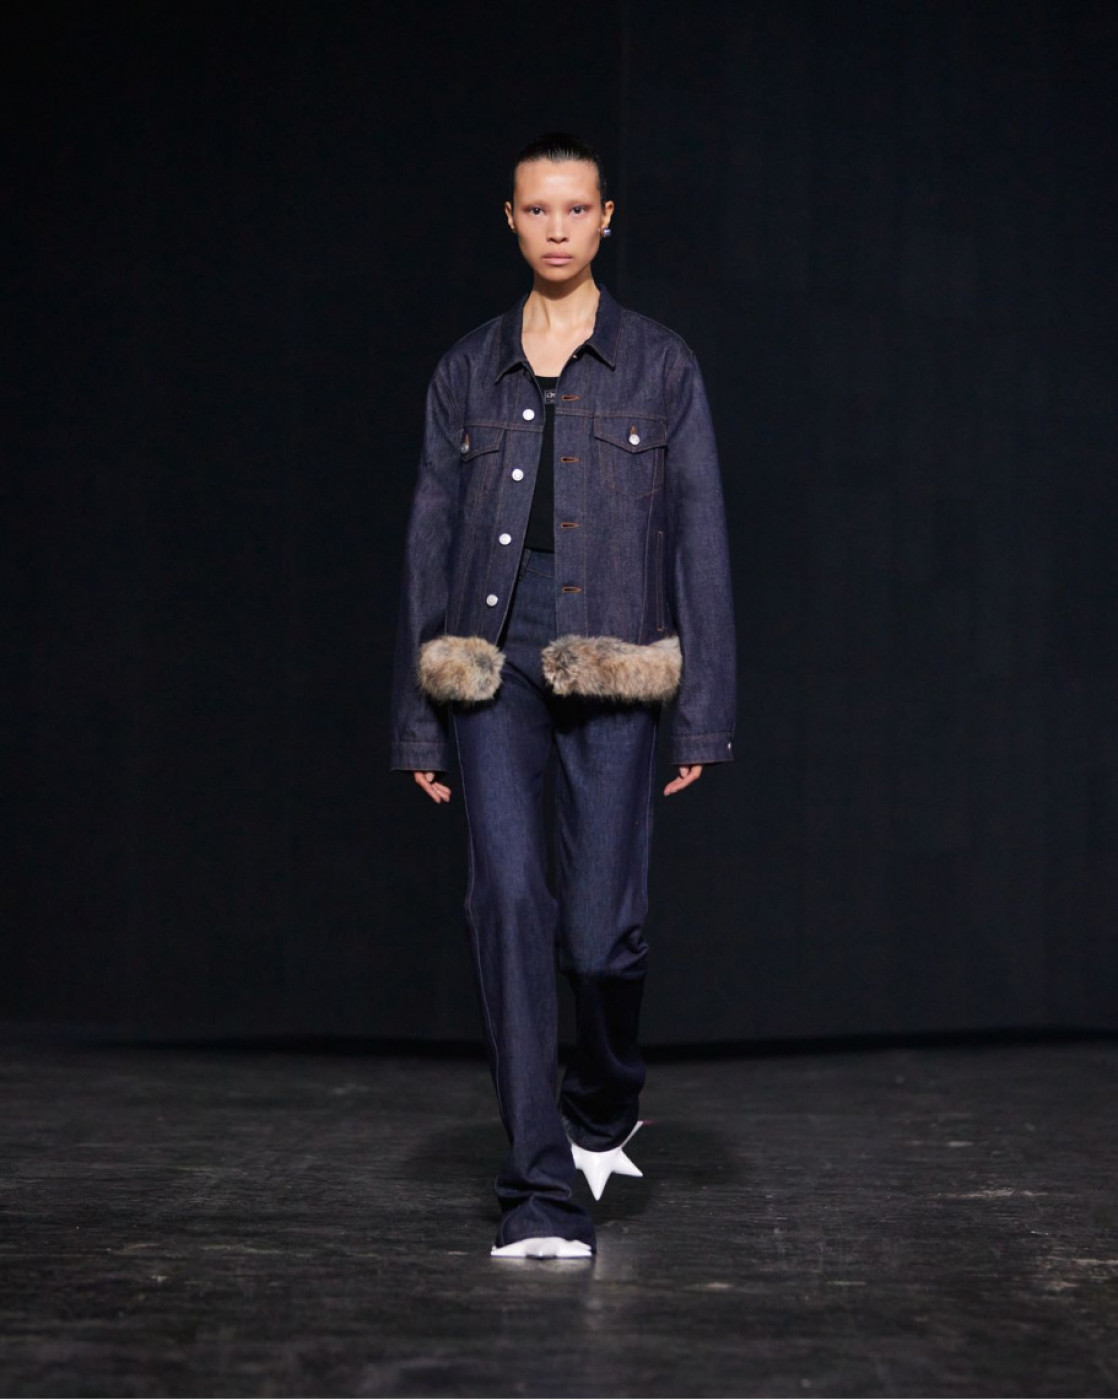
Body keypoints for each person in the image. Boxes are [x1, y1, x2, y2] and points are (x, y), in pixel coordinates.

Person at [389, 132, 736, 1258]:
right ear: (510, 219)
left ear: (605, 218)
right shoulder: (466, 369)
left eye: (574, 209)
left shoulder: (659, 365)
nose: (555, 227)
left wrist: (701, 709)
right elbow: (428, 543)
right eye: (535, 209)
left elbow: (698, 541)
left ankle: (602, 1097)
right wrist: (418, 720)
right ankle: (539, 1189)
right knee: (505, 902)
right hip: (490, 661)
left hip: (617, 661)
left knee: (599, 936)